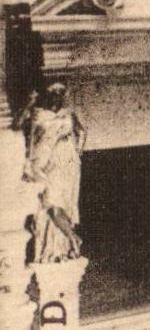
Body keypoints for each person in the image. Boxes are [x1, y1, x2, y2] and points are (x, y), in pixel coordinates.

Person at [20, 83, 87, 264]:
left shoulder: (67, 114)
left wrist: (75, 153)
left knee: (59, 202)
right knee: (50, 201)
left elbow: (81, 132)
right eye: (53, 93)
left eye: (60, 93)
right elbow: (30, 137)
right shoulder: (38, 114)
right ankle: (69, 238)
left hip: (66, 162)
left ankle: (69, 239)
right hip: (47, 162)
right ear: (47, 95)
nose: (57, 96)